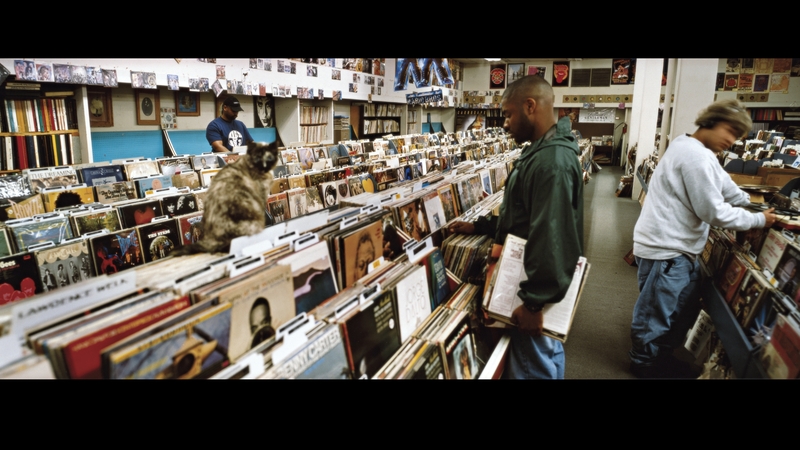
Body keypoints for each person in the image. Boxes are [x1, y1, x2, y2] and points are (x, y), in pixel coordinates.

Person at [629, 98, 777, 378]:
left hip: (678, 249)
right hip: (667, 250)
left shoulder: (696, 149)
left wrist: (751, 203)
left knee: (679, 311)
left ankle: (661, 356)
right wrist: (759, 219)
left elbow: (724, 186)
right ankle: (643, 364)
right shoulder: (694, 155)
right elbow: (713, 212)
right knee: (655, 314)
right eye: (729, 131)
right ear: (711, 122)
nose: (731, 141)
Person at [448, 75, 584, 379]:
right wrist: (483, 226)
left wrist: (534, 303)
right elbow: (526, 215)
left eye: (508, 114)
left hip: (533, 293)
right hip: (529, 283)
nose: (505, 124)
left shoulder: (551, 161)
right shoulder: (543, 151)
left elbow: (552, 235)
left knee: (535, 365)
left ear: (530, 106)